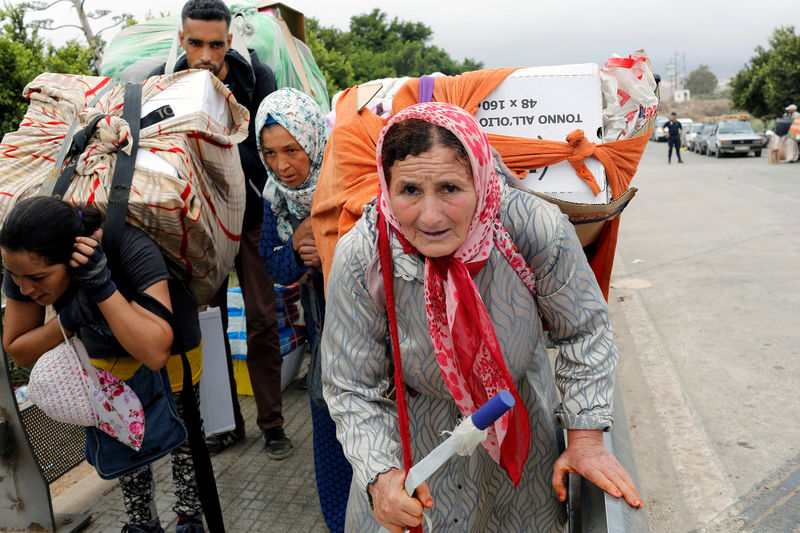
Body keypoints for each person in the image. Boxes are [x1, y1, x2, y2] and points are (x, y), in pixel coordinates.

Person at [321, 103, 643, 532]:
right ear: (386, 185)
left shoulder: (530, 227)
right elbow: (352, 384)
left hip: (519, 431)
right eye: (409, 190)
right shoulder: (365, 254)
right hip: (415, 444)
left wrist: (585, 438)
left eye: (451, 188)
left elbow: (583, 331)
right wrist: (381, 476)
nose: (431, 216)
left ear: (481, 178)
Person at [0, 197, 206, 533]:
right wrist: (70, 317)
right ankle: (141, 523)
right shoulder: (25, 264)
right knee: (125, 447)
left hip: (170, 351)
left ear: (75, 256)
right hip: (107, 358)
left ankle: (190, 517)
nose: (24, 288)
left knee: (182, 441)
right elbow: (19, 350)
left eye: (38, 278)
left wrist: (101, 285)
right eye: (14, 276)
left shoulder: (128, 246)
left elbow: (155, 351)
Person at [149, 0, 291, 458]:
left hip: (251, 217)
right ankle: (222, 423)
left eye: (216, 44)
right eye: (196, 44)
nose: (206, 54)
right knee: (204, 324)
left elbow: (265, 151)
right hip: (200, 226)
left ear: (230, 42)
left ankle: (272, 425)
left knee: (262, 320)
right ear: (182, 40)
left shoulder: (257, 79)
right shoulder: (165, 80)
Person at [254, 86, 352, 533]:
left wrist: (334, 246)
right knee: (329, 432)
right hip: (322, 333)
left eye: (291, 150)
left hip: (374, 333)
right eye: (270, 152)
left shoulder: (350, 180)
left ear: (313, 140)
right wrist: (295, 247)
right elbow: (272, 264)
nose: (282, 165)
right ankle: (340, 522)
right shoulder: (275, 199)